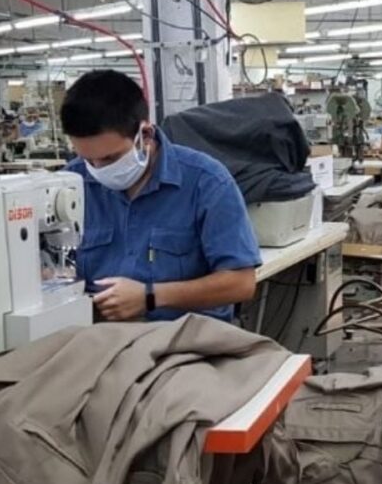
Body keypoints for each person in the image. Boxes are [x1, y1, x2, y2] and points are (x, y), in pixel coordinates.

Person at [61, 70, 260, 323]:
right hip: (98, 335)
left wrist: (151, 296)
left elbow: (241, 283)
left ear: (145, 134)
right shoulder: (70, 184)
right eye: (88, 159)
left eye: (110, 158)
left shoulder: (206, 182)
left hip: (184, 337)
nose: (99, 169)